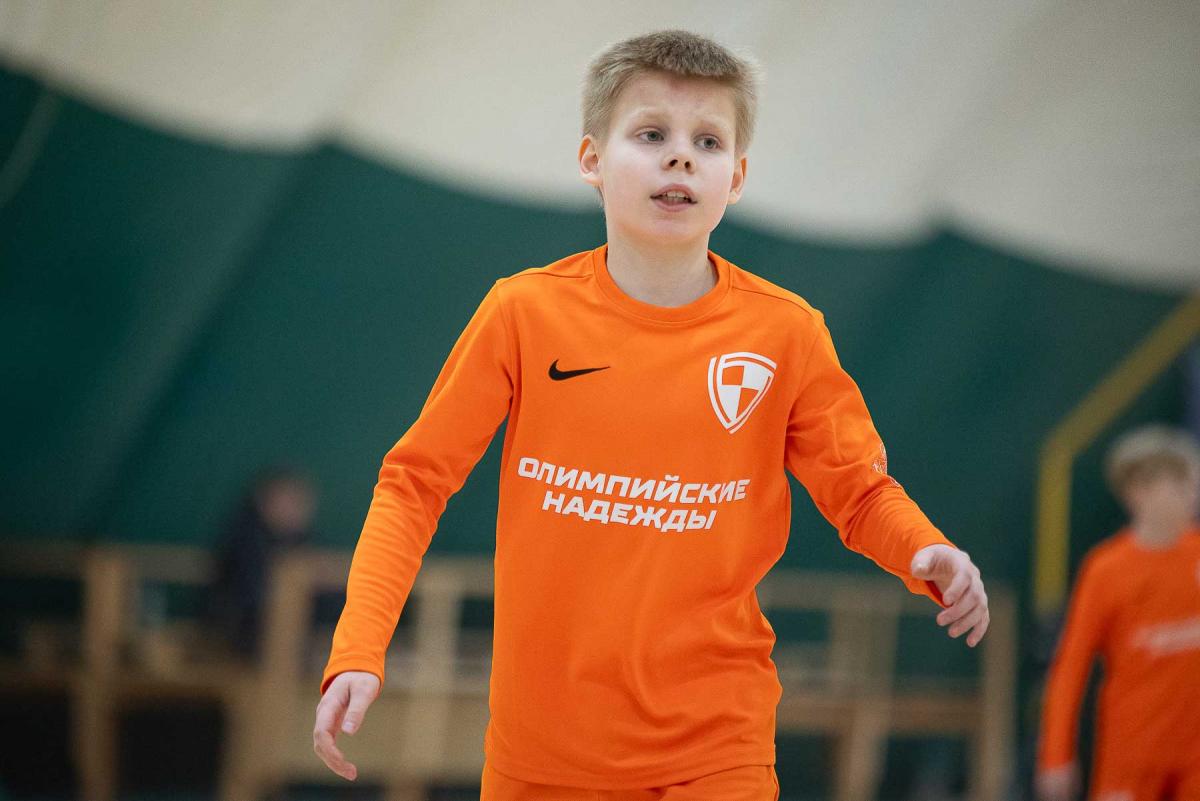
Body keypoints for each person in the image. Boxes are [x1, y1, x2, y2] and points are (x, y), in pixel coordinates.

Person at [313, 29, 990, 800]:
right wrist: (359, 646)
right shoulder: (523, 313)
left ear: (736, 177)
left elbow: (860, 492)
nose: (681, 158)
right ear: (591, 160)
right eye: (651, 134)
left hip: (717, 750)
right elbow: (413, 484)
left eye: (708, 141)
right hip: (541, 757)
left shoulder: (787, 333)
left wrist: (922, 547)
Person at [1036, 424, 1200, 801]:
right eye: (1180, 485)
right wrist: (1056, 755)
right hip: (1132, 752)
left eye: (1193, 485)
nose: (1192, 496)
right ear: (1138, 491)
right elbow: (1071, 667)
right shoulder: (1106, 570)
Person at [208, 465, 318, 661]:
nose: (293, 511)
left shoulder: (303, 541)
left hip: (288, 639)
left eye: (298, 503)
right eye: (286, 501)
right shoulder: (245, 541)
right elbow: (247, 598)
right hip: (241, 636)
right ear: (264, 502)